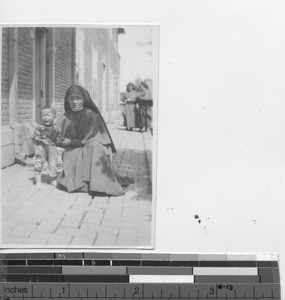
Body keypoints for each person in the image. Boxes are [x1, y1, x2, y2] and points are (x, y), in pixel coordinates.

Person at [56, 84, 127, 196]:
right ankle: (85, 185)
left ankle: (99, 185)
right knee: (71, 155)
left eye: (78, 98)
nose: (75, 102)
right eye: (71, 99)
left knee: (94, 146)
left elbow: (95, 139)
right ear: (67, 101)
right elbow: (55, 136)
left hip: (95, 147)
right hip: (74, 148)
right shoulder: (64, 117)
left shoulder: (92, 115)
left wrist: (71, 141)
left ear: (84, 100)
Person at [33, 106, 63, 188]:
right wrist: (42, 140)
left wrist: (59, 139)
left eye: (48, 115)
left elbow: (59, 138)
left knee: (53, 164)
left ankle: (52, 179)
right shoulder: (40, 127)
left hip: (52, 148)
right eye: (43, 115)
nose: (45, 117)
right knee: (39, 163)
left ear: (54, 117)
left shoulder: (56, 128)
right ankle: (38, 181)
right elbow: (35, 137)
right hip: (41, 148)